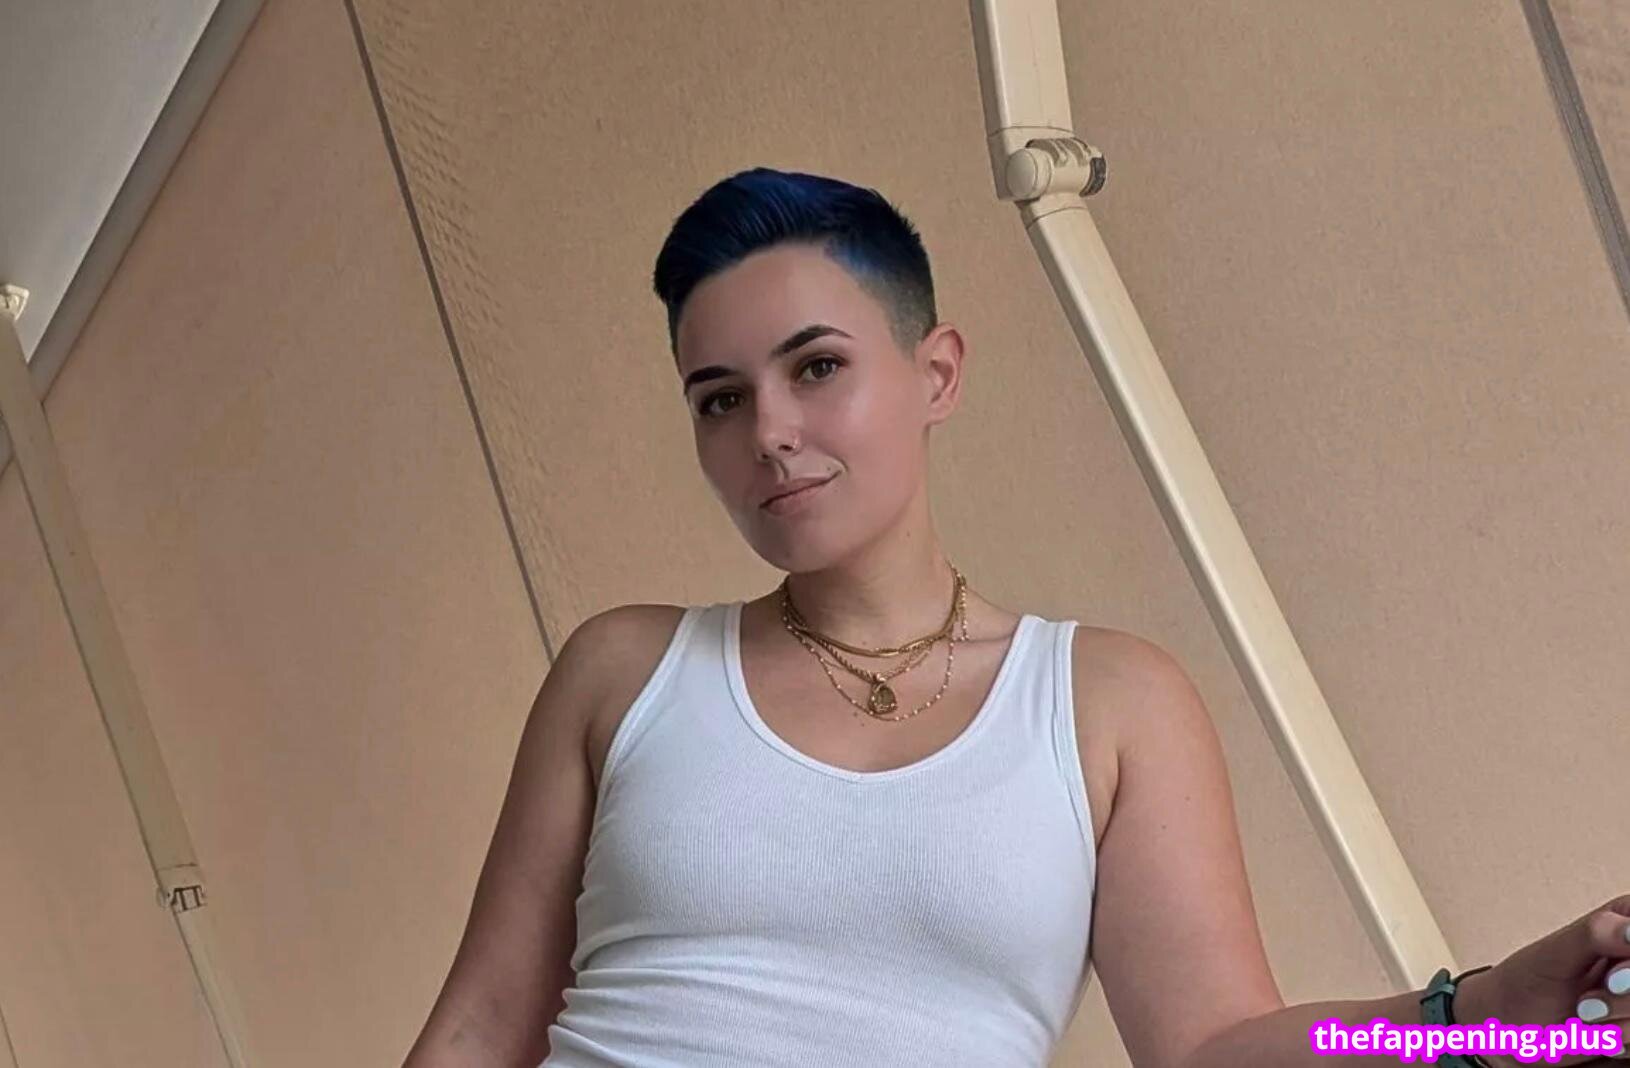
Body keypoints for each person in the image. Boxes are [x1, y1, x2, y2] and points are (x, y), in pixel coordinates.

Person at [402, 168, 1630, 1067]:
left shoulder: (1109, 705)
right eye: (717, 398)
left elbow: (1212, 1048)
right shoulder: (624, 672)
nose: (768, 431)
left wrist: (1486, 1015)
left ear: (935, 373)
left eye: (816, 367)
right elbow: (480, 1028)